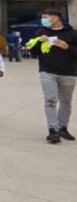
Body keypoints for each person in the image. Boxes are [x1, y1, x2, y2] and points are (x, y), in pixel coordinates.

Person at [25, 9, 77, 143]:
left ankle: (62, 128)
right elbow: (32, 51)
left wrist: (67, 47)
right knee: (50, 100)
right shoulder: (41, 32)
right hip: (47, 71)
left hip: (69, 72)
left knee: (66, 101)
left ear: (56, 18)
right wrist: (39, 42)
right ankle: (53, 130)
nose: (43, 20)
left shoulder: (72, 34)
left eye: (45, 17)